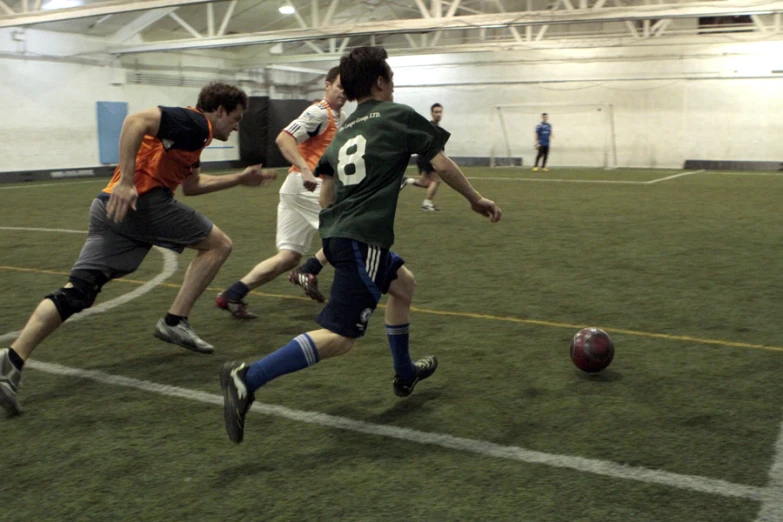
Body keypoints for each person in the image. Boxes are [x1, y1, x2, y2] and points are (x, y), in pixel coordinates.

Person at [219, 46, 502, 444]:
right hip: (362, 241)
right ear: (381, 82)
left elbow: (325, 196)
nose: (394, 86)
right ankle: (248, 378)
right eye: (392, 79)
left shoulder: (344, 130)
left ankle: (405, 374)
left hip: (338, 236)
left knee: (404, 285)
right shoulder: (399, 115)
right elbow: (440, 164)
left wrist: (335, 240)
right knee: (340, 338)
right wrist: (476, 198)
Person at [0, 82, 278, 417]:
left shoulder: (195, 137)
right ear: (219, 110)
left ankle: (11, 360)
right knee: (219, 244)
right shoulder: (195, 123)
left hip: (108, 208)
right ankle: (175, 320)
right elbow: (134, 121)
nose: (237, 126)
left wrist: (238, 179)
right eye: (236, 117)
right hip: (142, 203)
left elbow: (192, 187)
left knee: (78, 292)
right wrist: (128, 181)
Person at [216, 67, 347, 317]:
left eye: (348, 87)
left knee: (288, 257)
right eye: (340, 85)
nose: (344, 91)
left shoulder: (338, 117)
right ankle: (310, 270)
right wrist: (306, 170)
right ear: (327, 85)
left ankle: (232, 294)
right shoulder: (319, 111)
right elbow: (284, 139)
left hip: (296, 188)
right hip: (307, 185)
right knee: (350, 228)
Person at [400, 103, 447, 211]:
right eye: (436, 112)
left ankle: (407, 180)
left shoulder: (437, 128)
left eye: (440, 112)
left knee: (426, 183)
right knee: (436, 181)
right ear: (431, 113)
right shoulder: (431, 128)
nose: (438, 114)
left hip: (424, 158)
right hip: (427, 158)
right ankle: (427, 203)